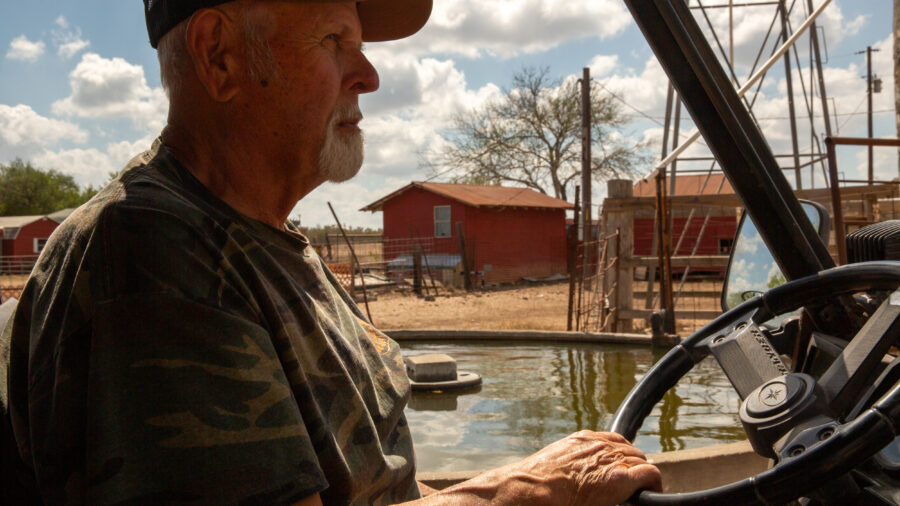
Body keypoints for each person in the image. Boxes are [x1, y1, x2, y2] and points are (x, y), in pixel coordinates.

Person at [0, 0, 662, 504]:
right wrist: (522, 492)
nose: (368, 74)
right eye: (334, 40)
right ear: (220, 56)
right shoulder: (151, 254)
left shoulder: (265, 243)